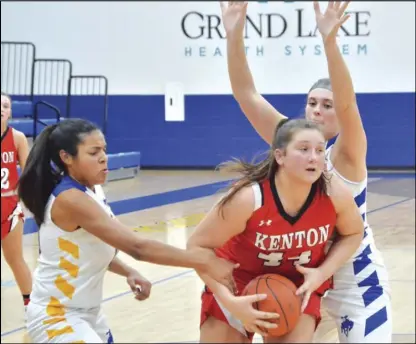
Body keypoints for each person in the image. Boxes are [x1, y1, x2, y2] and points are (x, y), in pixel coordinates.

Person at [220, 1, 392, 342]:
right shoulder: (294, 144)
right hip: (297, 275)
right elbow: (246, 94)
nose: (316, 110)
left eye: (326, 105)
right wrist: (234, 34)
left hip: (351, 278)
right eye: (312, 102)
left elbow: (348, 103)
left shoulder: (346, 155)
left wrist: (329, 43)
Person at [18, 118, 238, 343]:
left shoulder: (93, 190)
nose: (103, 157)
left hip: (88, 313)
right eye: (93, 153)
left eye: (104, 150)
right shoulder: (70, 199)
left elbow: (88, 248)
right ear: (66, 158)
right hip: (56, 316)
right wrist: (204, 261)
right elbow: (137, 247)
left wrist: (128, 271)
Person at [187, 119, 364, 343]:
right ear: (280, 156)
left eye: (320, 150)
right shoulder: (249, 198)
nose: (314, 157)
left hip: (296, 288)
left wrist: (322, 273)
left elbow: (353, 233)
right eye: (303, 149)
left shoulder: (334, 193)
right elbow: (196, 248)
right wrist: (229, 301)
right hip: (235, 284)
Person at [1, 91, 33, 312]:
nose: (2, 108)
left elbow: (30, 173)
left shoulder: (18, 138)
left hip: (9, 205)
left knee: (15, 259)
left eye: (5, 105)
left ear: (10, 111)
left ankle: (31, 307)